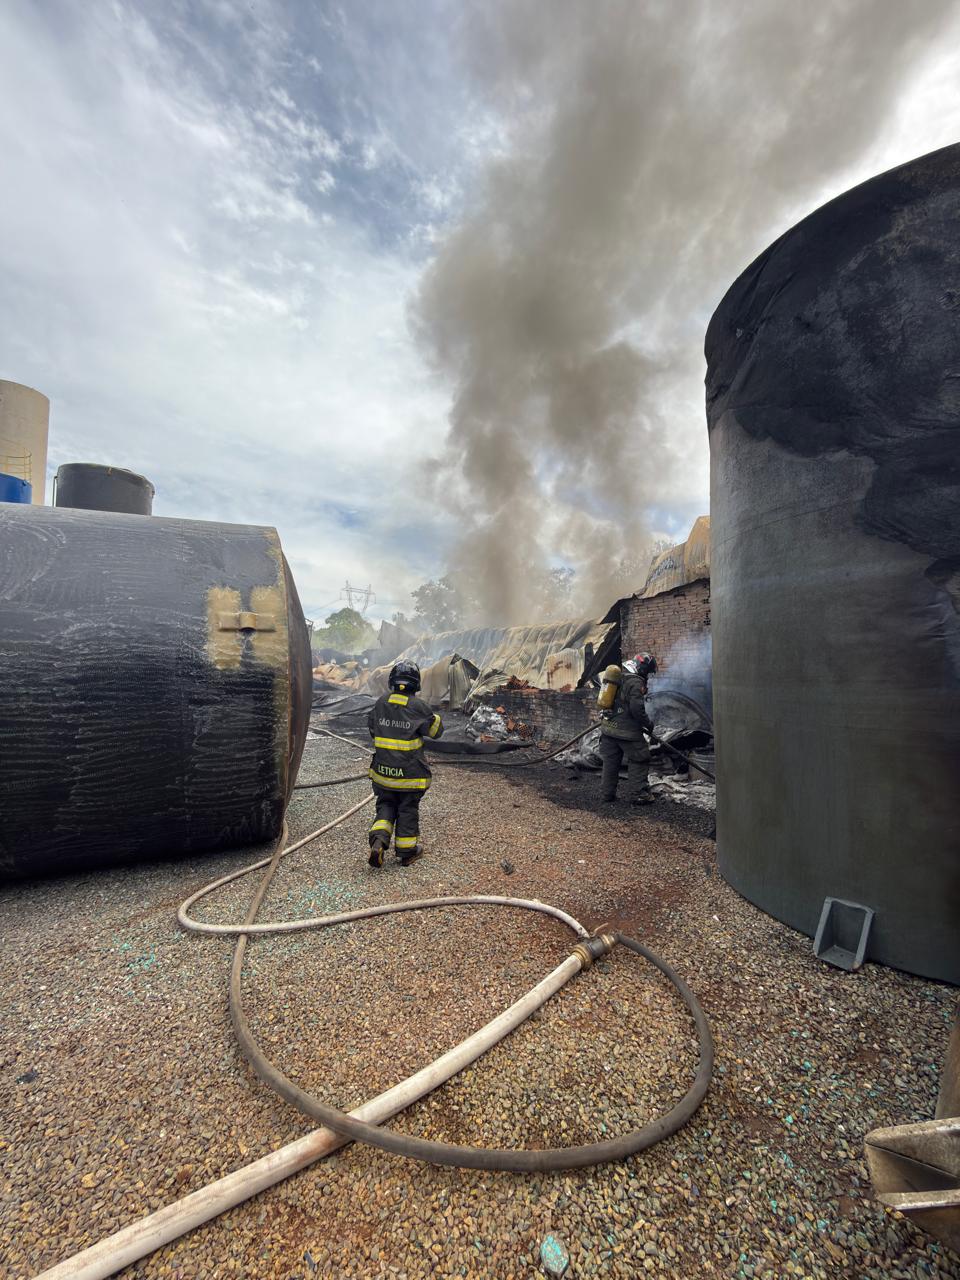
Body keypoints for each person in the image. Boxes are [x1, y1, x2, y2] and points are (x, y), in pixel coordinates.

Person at [366, 660, 443, 867]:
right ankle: (407, 852)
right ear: (416, 684)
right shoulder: (419, 707)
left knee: (386, 804)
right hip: (409, 775)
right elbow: (436, 732)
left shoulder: (381, 702)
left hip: (383, 773)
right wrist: (433, 716)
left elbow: (372, 728)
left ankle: (379, 841)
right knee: (407, 809)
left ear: (392, 681)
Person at [597, 654, 657, 805]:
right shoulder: (636, 682)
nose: (648, 676)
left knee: (610, 762)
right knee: (640, 758)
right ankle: (640, 795)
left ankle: (606, 795)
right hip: (627, 732)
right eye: (648, 672)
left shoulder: (619, 677)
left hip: (608, 729)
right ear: (643, 669)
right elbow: (637, 709)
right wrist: (648, 724)